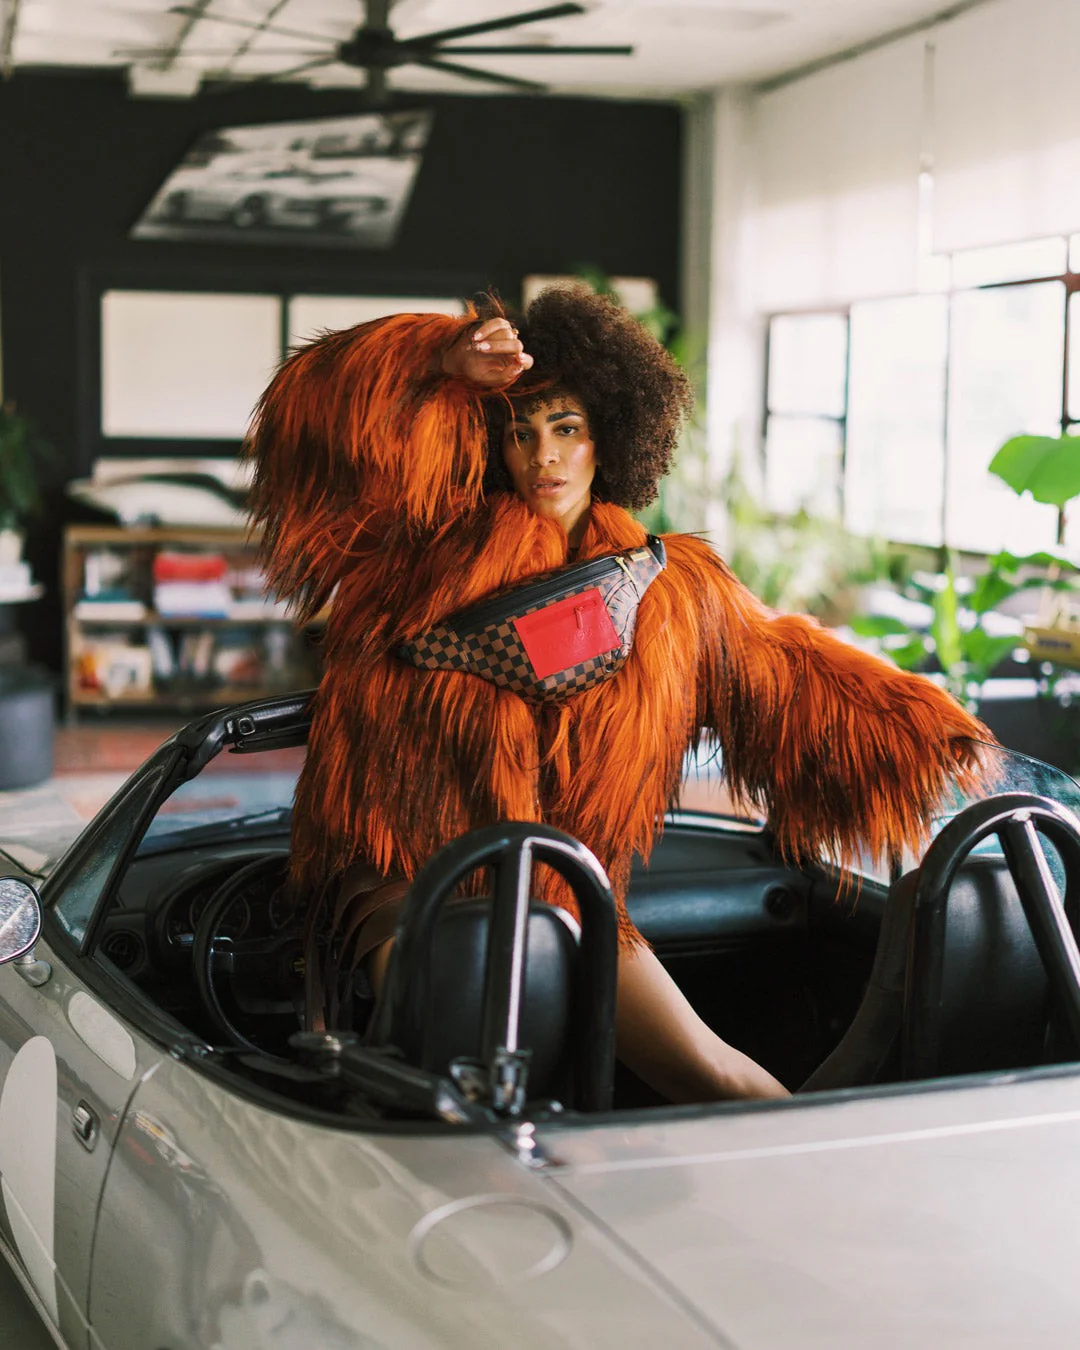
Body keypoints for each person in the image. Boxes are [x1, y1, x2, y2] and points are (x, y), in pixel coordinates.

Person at [247, 286, 990, 1104]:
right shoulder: (418, 547)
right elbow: (311, 413)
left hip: (566, 892)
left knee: (721, 1078)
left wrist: (929, 737)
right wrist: (436, 358)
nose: (544, 457)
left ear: (609, 433)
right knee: (452, 1076)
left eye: (566, 428)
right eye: (522, 433)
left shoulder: (671, 587)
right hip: (403, 876)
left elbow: (787, 670)